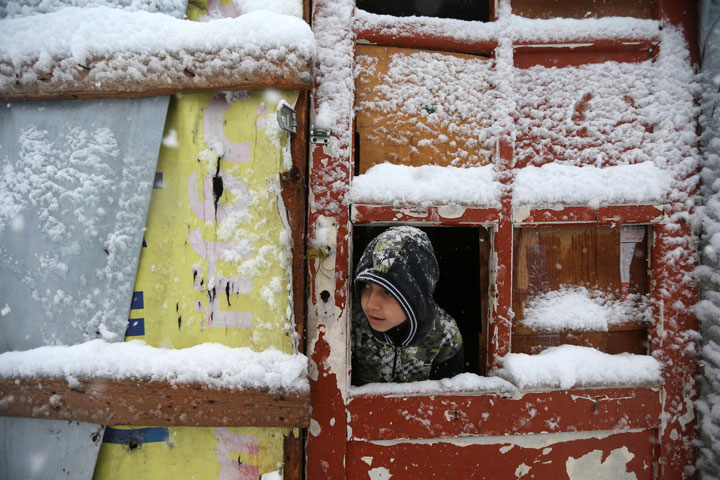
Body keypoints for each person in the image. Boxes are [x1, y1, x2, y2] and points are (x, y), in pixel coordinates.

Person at [351, 226, 464, 386]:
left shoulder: (444, 333)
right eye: (367, 286)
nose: (371, 304)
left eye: (388, 292)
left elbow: (448, 401)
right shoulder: (350, 326)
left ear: (416, 297)